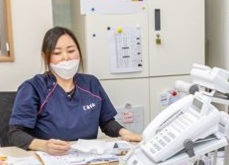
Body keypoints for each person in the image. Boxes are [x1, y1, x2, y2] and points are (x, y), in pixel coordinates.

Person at [8, 27, 141, 155]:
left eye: (71, 51)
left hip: (87, 158)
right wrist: (43, 145)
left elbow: (106, 122)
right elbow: (16, 133)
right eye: (57, 53)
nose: (66, 57)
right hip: (50, 159)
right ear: (45, 56)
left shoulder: (91, 83)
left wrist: (124, 133)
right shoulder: (33, 88)